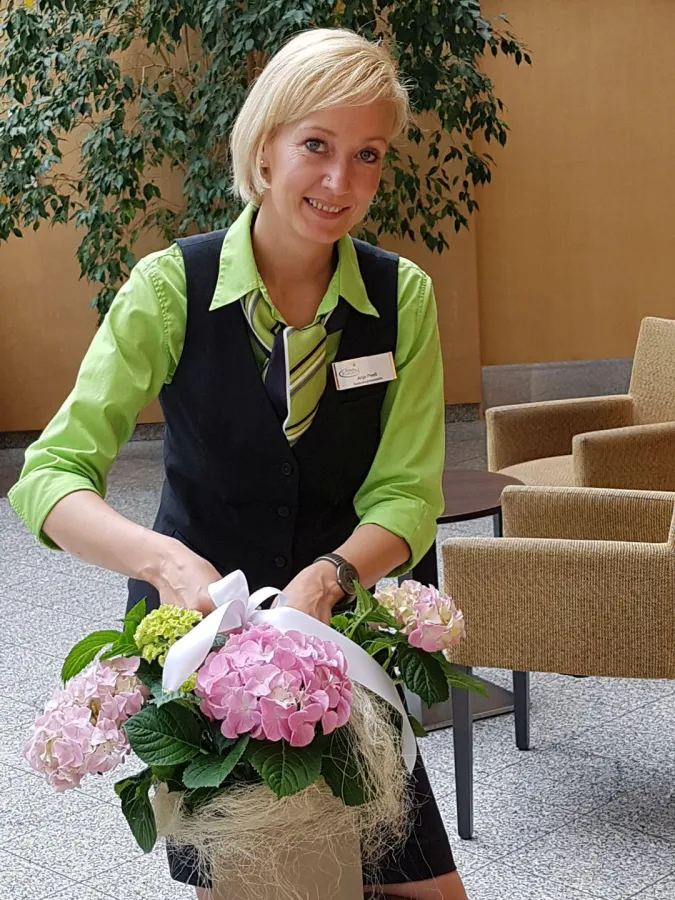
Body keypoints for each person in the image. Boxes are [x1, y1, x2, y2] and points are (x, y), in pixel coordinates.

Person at [9, 27, 468, 900]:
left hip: (339, 649)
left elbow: (407, 494)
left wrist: (327, 580)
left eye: (366, 155)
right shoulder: (167, 288)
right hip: (201, 659)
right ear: (264, 150)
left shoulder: (399, 297)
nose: (341, 182)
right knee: (253, 884)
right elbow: (51, 472)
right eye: (316, 146)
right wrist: (164, 561)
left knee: (423, 887)